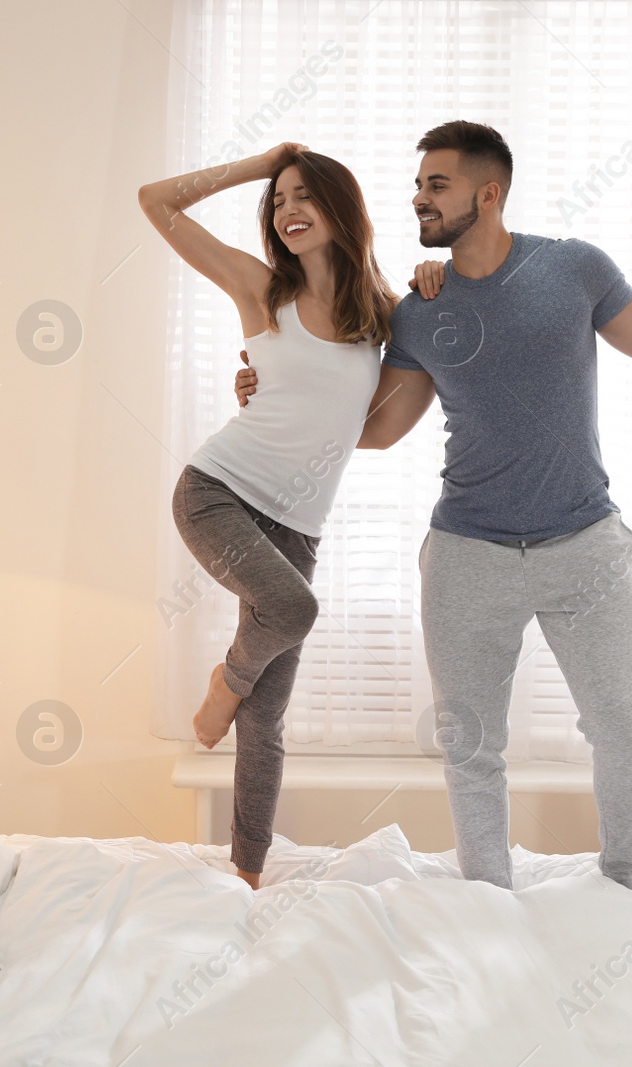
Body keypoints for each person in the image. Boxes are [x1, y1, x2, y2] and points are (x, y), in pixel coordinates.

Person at [236, 121, 632, 890]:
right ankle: (488, 899)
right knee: (470, 743)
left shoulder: (574, 269)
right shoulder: (419, 309)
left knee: (622, 729)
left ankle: (621, 890)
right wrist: (273, 388)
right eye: (417, 186)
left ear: (489, 192)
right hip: (467, 555)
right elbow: (376, 429)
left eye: (435, 185)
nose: (419, 199)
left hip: (585, 546)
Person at [138, 142, 398, 890]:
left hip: (299, 525)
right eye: (278, 200)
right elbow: (156, 200)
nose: (287, 210)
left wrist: (435, 284)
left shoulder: (380, 317)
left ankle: (247, 871)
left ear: (342, 210)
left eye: (304, 196)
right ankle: (225, 680)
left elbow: (372, 424)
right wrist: (265, 163)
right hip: (217, 489)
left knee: (268, 718)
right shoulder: (259, 288)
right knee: (293, 607)